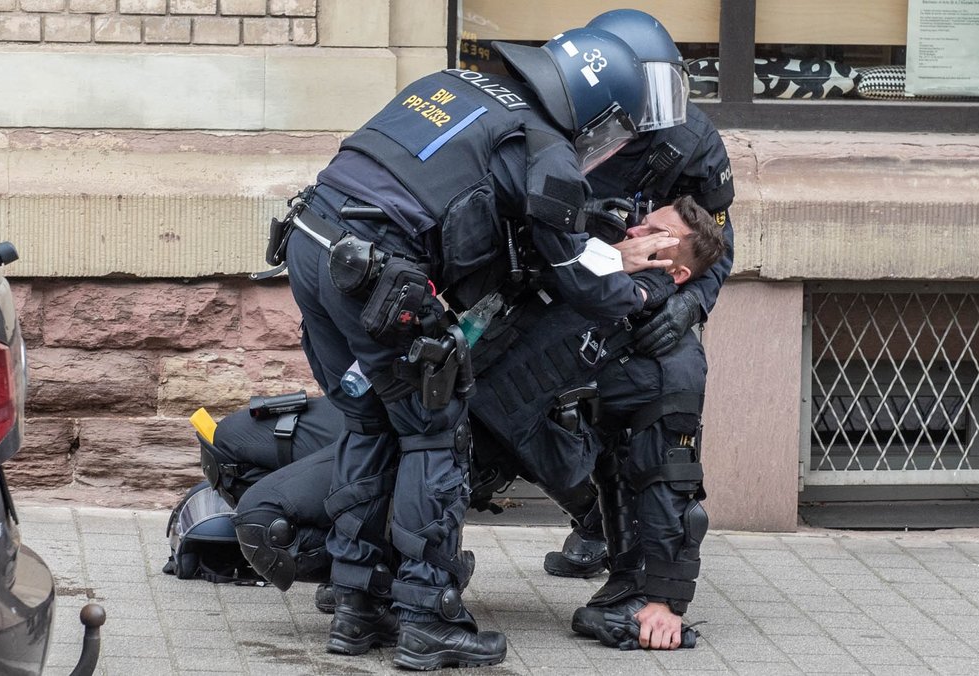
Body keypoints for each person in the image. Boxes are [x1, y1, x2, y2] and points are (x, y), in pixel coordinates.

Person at [257, 27, 672, 670]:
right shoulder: (547, 148)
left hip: (312, 246)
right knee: (434, 432)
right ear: (598, 112)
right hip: (378, 278)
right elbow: (572, 277)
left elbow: (436, 188)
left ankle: (357, 607)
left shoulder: (450, 86)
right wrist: (641, 295)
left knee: (369, 423)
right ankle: (429, 617)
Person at [542, 8, 736, 585]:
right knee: (537, 410)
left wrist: (690, 304)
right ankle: (592, 517)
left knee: (658, 393)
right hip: (562, 284)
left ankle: (641, 557)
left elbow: (716, 239)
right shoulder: (559, 124)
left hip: (648, 299)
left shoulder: (692, 140)